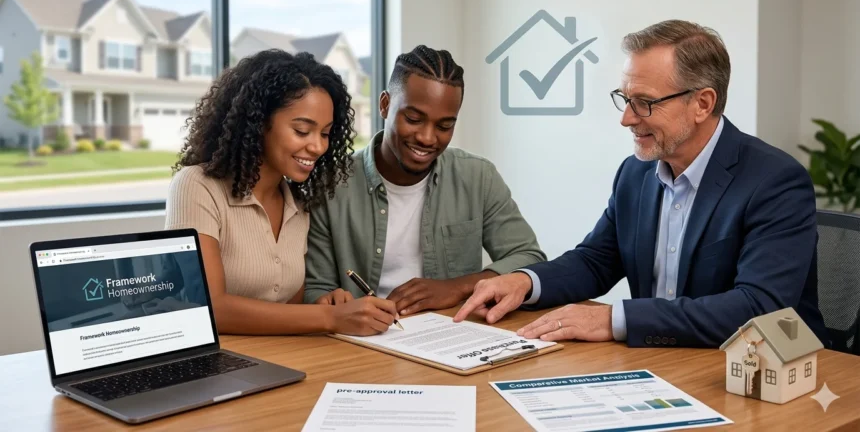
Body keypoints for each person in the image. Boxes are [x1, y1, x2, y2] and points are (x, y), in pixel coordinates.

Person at [455, 20, 829, 348]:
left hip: (765, 376)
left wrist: (616, 319)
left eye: (645, 103)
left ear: (702, 103)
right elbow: (596, 261)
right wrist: (525, 281)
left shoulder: (775, 181)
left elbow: (756, 308)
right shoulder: (636, 173)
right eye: (625, 99)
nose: (627, 119)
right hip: (663, 364)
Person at [165, 49, 398, 336]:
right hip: (218, 366)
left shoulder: (298, 203)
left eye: (325, 133)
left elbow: (288, 308)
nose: (318, 147)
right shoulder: (197, 187)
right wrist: (328, 316)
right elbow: (211, 307)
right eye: (302, 131)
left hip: (283, 360)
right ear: (257, 123)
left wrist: (322, 305)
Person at [304, 45, 546, 316]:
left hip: (450, 338)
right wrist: (331, 304)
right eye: (414, 119)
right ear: (385, 104)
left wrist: (455, 287)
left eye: (444, 126)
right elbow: (317, 287)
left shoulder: (478, 177)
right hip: (363, 342)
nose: (428, 138)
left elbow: (529, 258)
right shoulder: (331, 183)